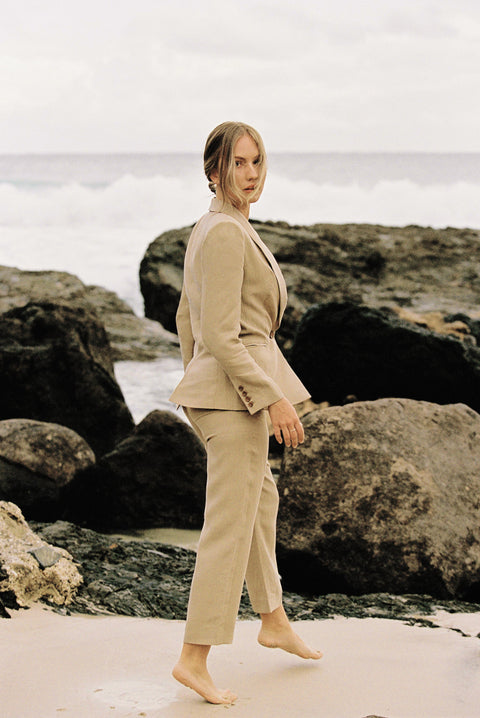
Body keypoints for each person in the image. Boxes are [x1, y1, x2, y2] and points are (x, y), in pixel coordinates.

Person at [170, 121, 322, 705]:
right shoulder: (226, 233)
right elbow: (222, 333)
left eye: (257, 161)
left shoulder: (212, 227)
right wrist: (272, 398)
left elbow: (188, 321)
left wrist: (193, 379)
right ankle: (193, 656)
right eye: (238, 163)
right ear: (214, 171)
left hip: (221, 387)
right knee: (229, 524)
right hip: (236, 392)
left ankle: (273, 618)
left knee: (261, 502)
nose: (251, 173)